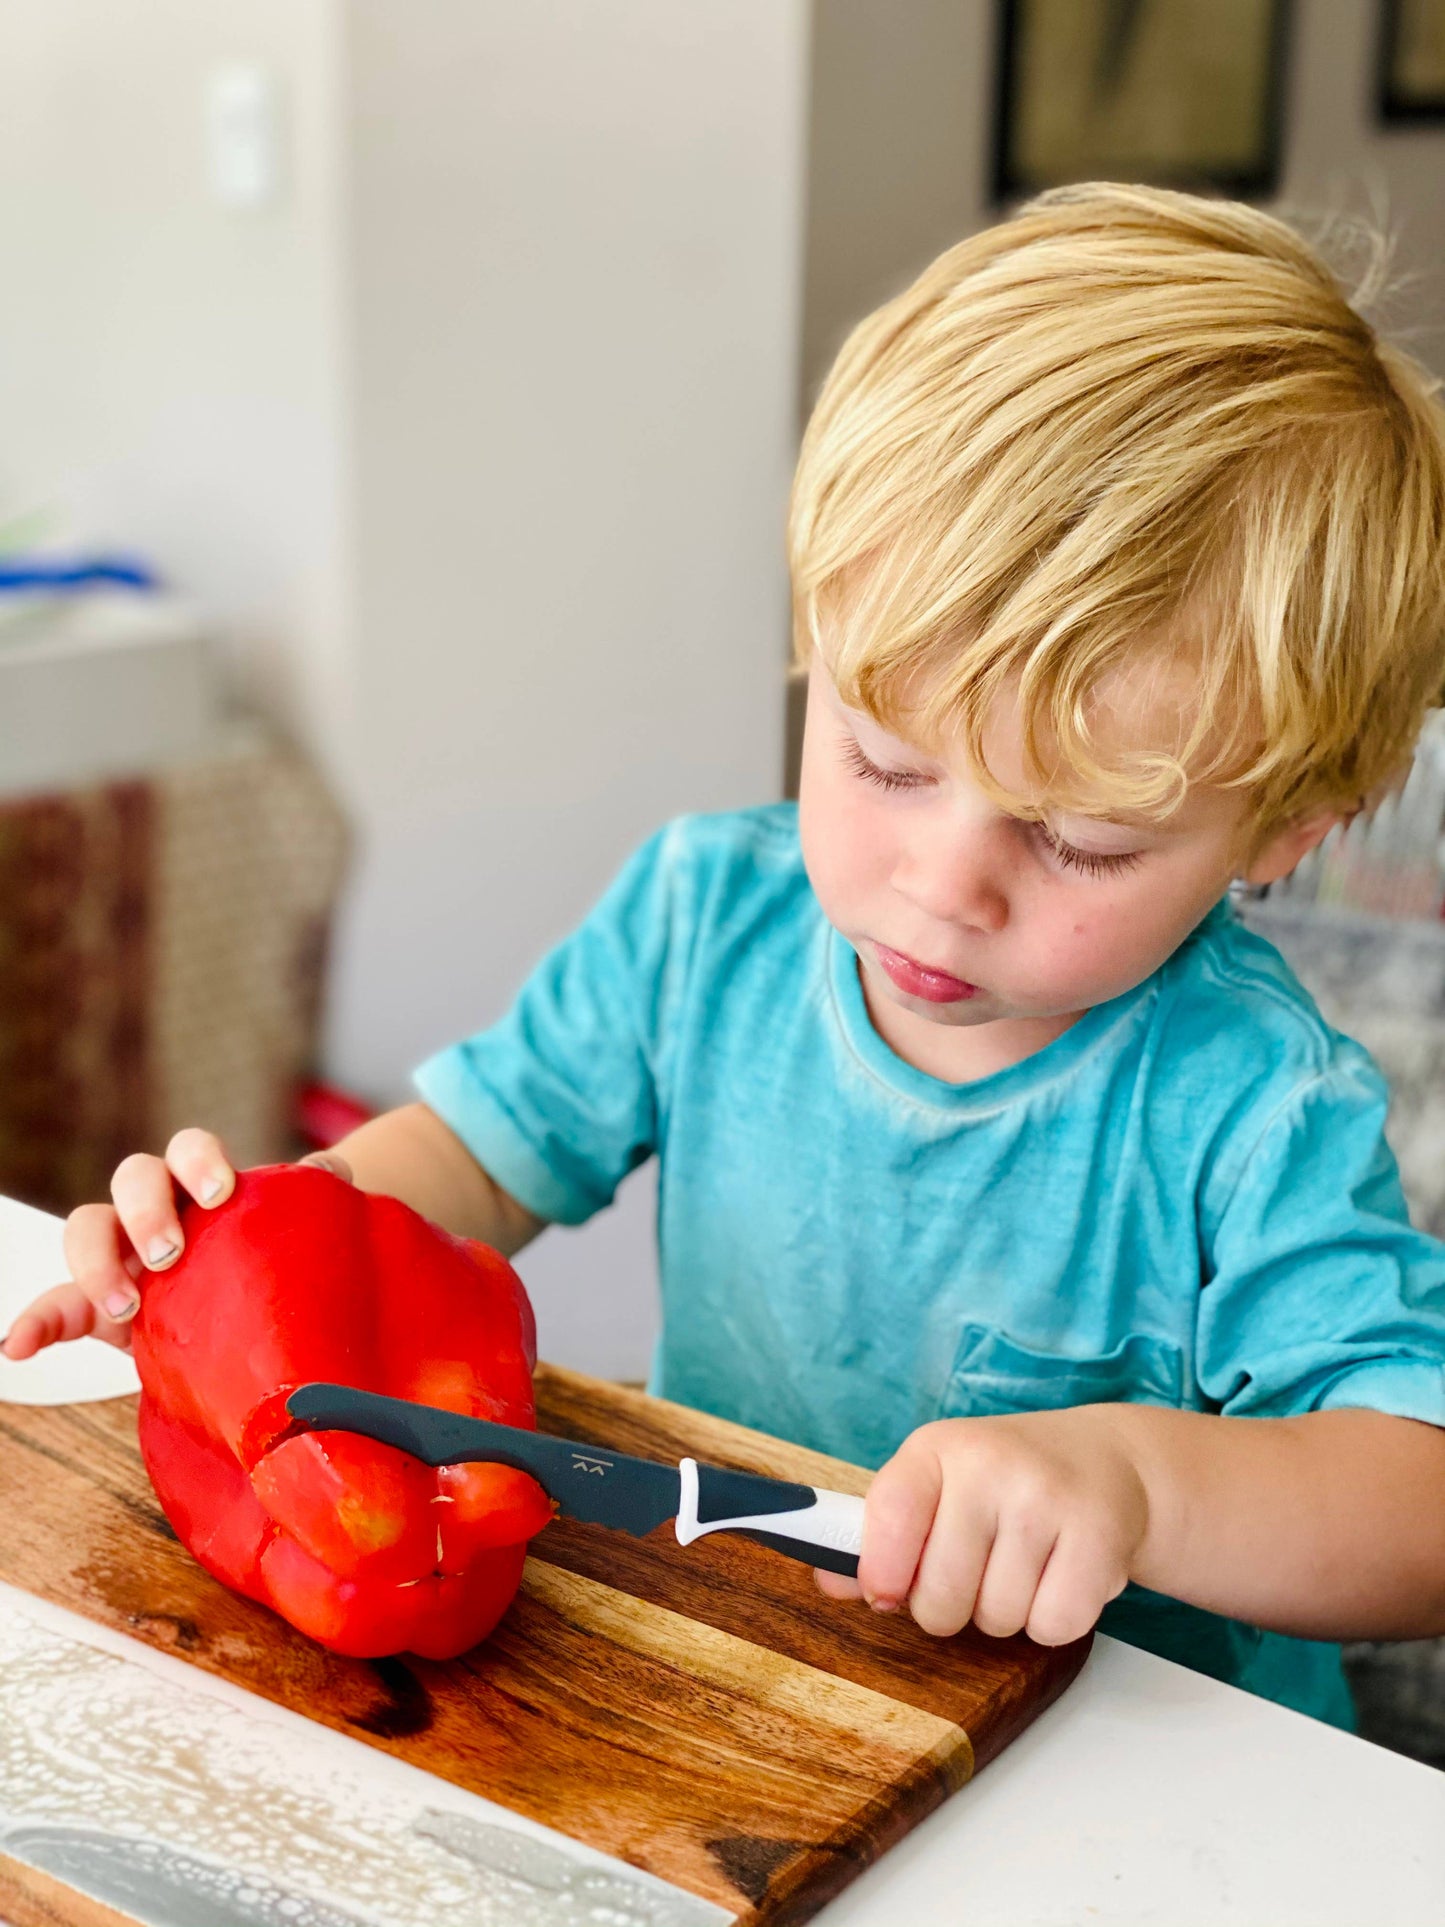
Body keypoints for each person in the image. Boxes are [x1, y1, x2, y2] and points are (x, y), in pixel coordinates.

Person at [7, 183, 1445, 1730]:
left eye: (1081, 841)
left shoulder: (1250, 1101)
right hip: (764, 1677)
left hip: (1133, 1759)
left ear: (1287, 832)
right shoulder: (706, 917)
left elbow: (1416, 1512)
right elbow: (474, 1166)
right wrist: (234, 1259)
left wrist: (1139, 1486)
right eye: (884, 761)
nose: (938, 884)